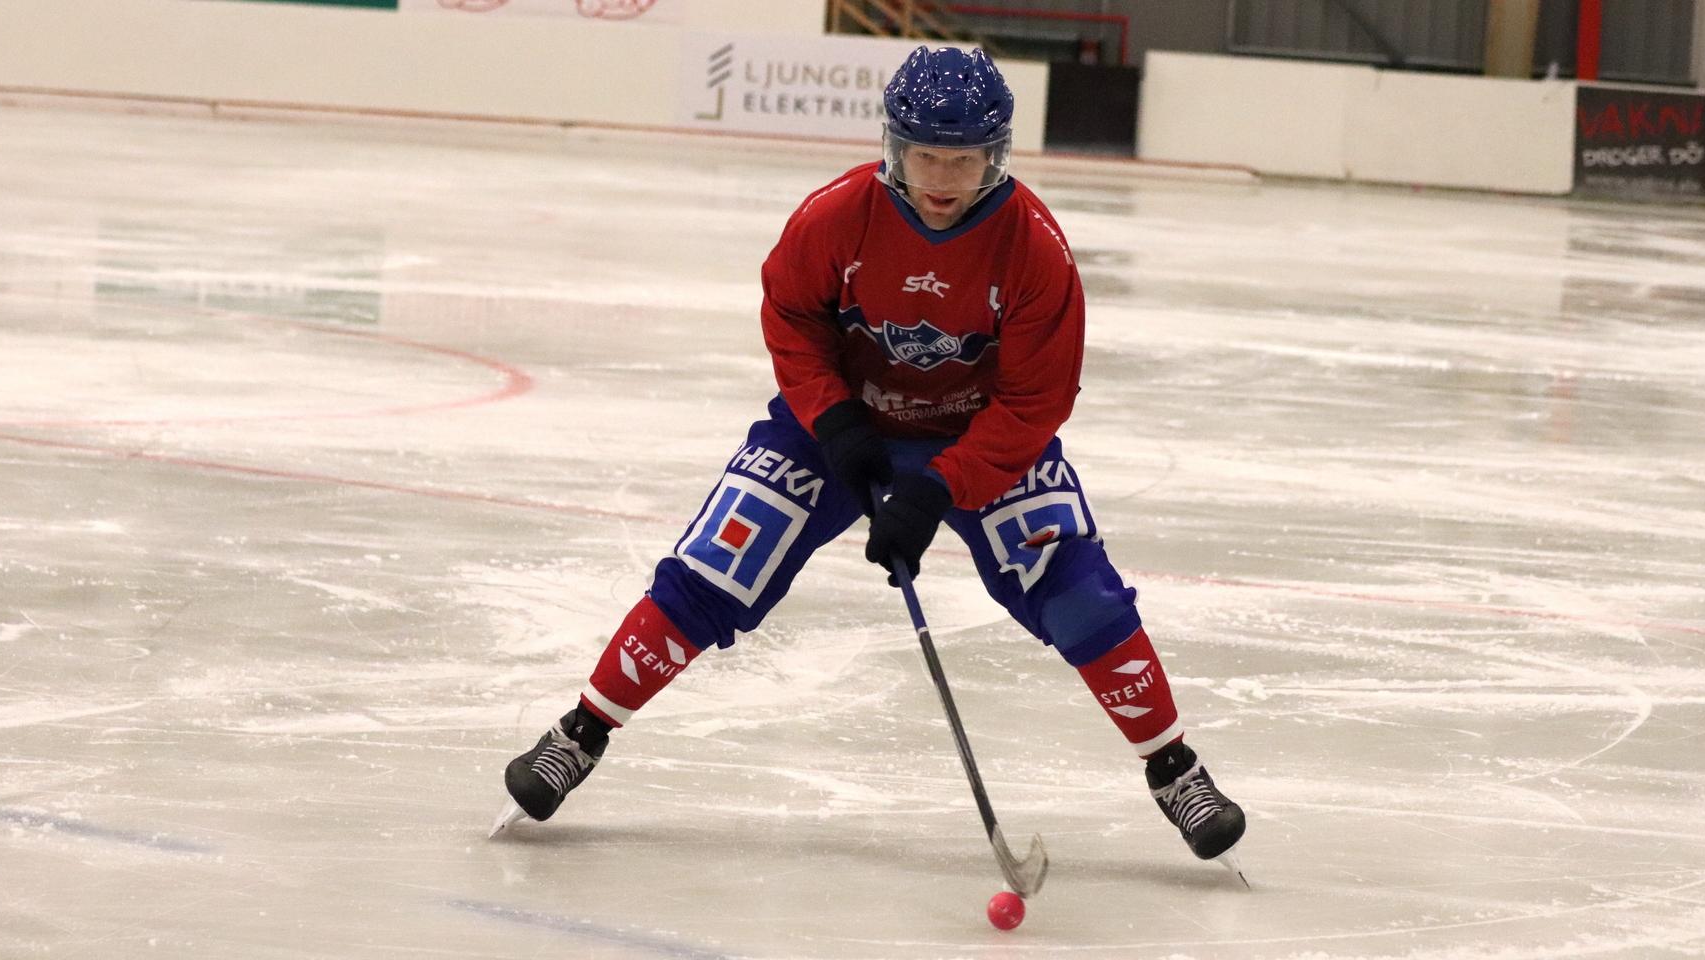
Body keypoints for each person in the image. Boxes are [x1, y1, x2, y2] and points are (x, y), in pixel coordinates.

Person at [496, 46, 1245, 866]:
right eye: (926, 154)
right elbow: (791, 317)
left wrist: (938, 489)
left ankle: (1174, 768)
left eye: (964, 159)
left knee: (1073, 584)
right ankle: (581, 733)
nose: (943, 177)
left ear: (996, 156)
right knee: (720, 560)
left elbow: (1035, 403)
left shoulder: (1035, 250)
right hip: (838, 428)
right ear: (894, 146)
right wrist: (835, 422)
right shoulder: (836, 216)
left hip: (980, 437)